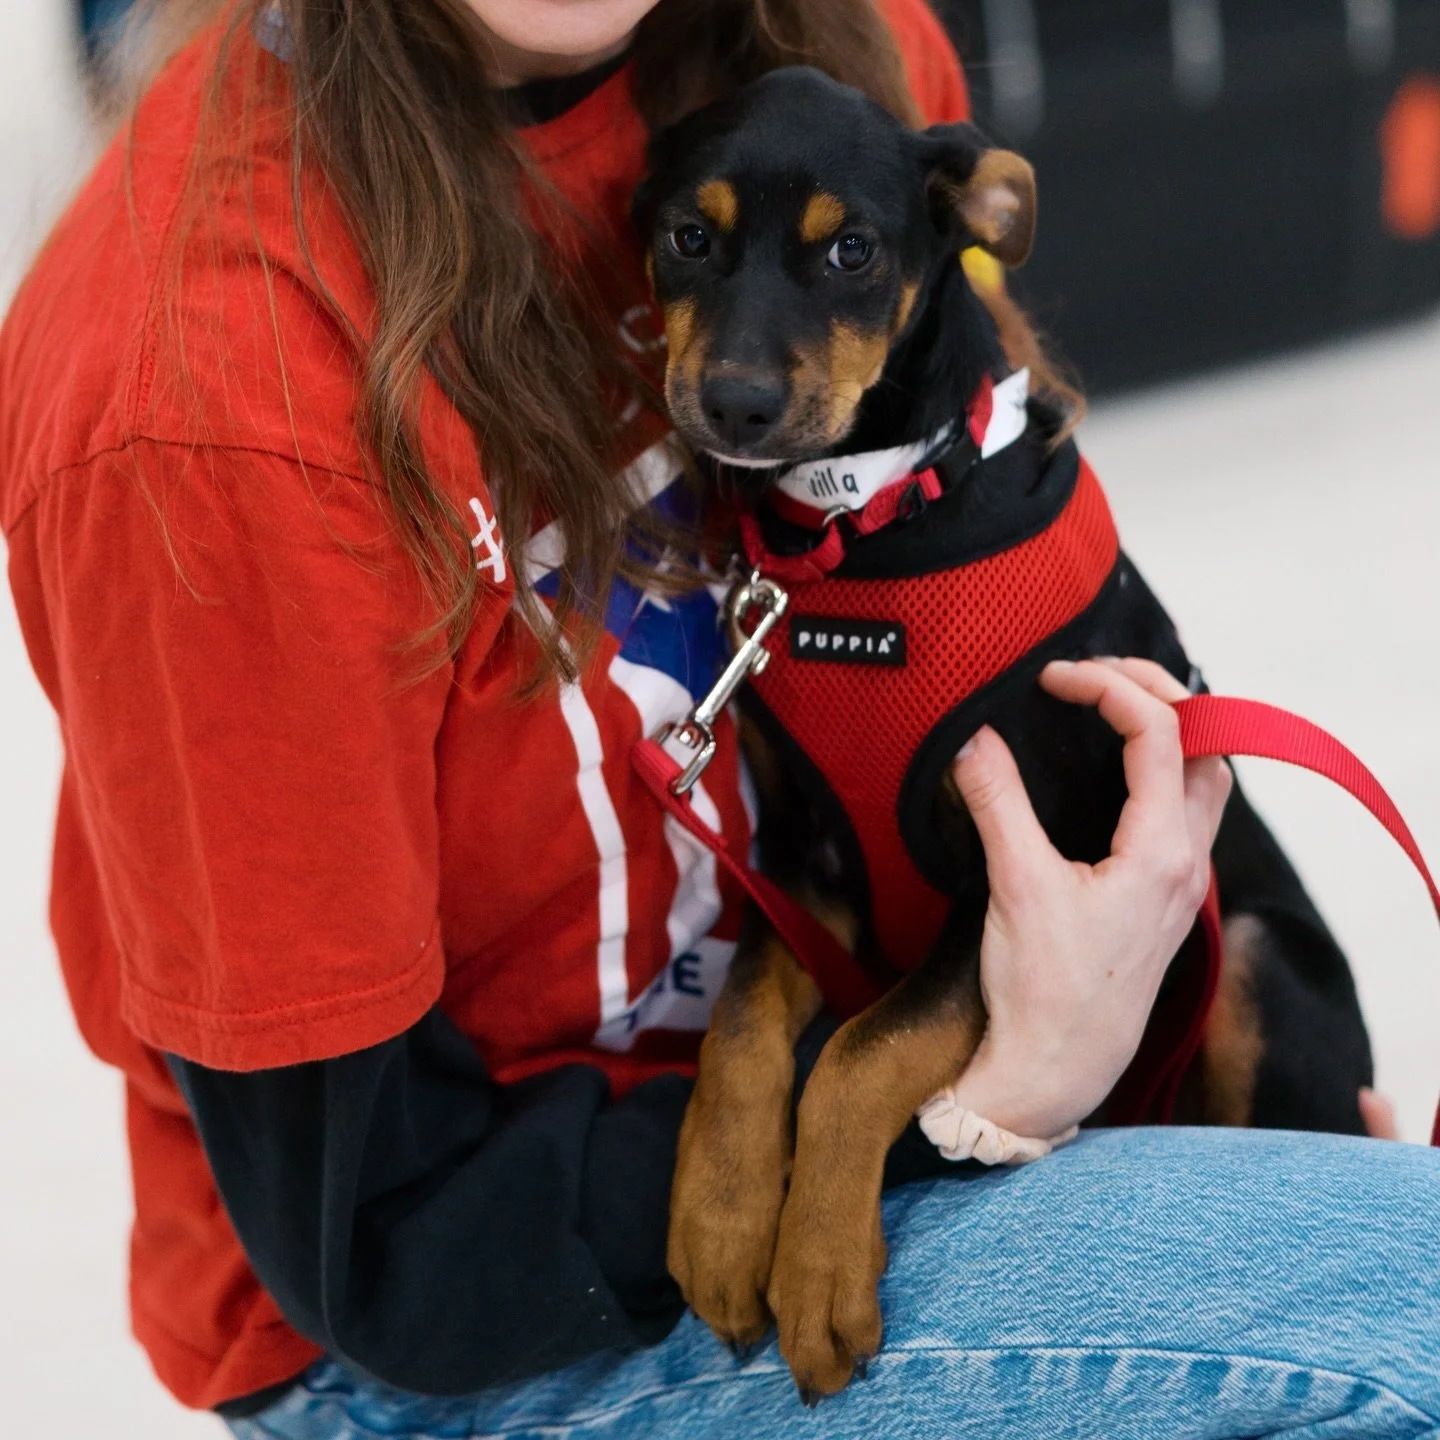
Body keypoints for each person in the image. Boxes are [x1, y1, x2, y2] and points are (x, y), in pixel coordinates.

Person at [1, 0, 1435, 1435]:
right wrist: (981, 1098)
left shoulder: (832, 50)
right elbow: (391, 1252)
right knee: (1406, 1318)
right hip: (479, 1329)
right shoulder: (204, 400)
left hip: (873, 1033)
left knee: (1389, 1254)